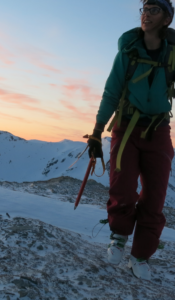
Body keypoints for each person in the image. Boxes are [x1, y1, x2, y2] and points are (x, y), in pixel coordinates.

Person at [88, 0, 175, 280]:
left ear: (167, 19)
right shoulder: (128, 52)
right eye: (144, 9)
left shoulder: (173, 53)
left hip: (159, 130)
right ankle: (119, 237)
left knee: (155, 196)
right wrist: (97, 130)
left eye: (154, 10)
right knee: (122, 187)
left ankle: (140, 256)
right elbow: (111, 91)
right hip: (126, 127)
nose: (146, 15)